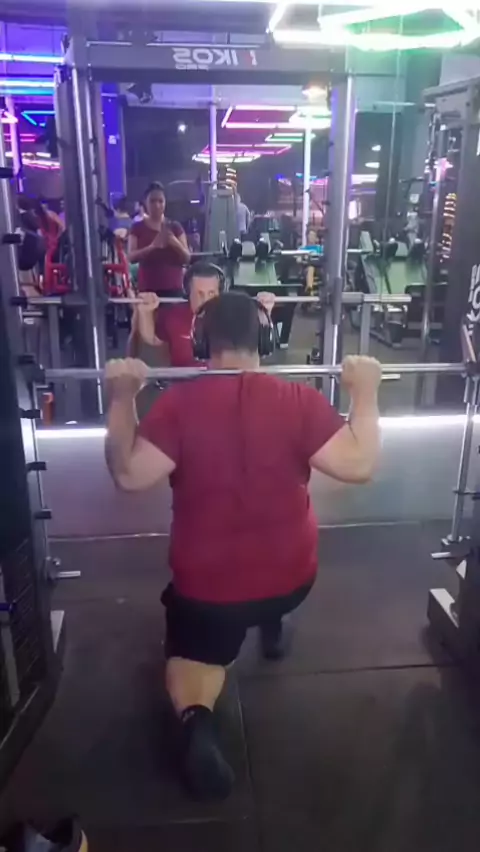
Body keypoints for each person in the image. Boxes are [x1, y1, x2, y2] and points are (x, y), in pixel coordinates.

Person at [105, 292, 381, 800]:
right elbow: (359, 464)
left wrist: (122, 397)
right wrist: (364, 392)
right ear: (266, 341)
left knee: (193, 659)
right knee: (269, 571)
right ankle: (271, 621)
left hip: (209, 595)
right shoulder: (299, 401)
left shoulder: (178, 406)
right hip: (292, 579)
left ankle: (197, 719)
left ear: (202, 343)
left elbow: (128, 474)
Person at [128, 263, 275, 418]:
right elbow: (151, 339)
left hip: (227, 391)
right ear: (188, 294)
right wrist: (145, 313)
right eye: (199, 294)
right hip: (187, 392)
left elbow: (256, 343)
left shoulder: (233, 316)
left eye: (211, 293)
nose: (206, 300)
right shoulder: (173, 317)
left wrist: (265, 311)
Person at [128, 182, 190, 296]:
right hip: (147, 291)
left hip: (174, 290)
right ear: (145, 202)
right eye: (152, 201)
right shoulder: (137, 228)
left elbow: (187, 258)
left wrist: (174, 243)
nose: (157, 205)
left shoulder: (175, 227)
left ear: (165, 202)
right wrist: (152, 247)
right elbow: (131, 257)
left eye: (160, 201)